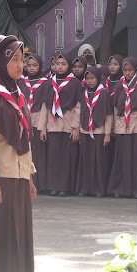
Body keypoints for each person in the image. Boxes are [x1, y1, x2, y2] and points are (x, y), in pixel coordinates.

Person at [0, 35, 36, 272]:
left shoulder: (17, 92)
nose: (20, 64)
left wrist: (30, 176)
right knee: (2, 236)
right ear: (0, 62)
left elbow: (25, 138)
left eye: (21, 59)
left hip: (20, 176)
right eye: (14, 59)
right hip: (1, 177)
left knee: (20, 235)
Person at [39, 53, 81, 196]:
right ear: (54, 66)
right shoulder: (49, 83)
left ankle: (64, 187)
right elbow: (45, 106)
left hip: (67, 126)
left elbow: (78, 107)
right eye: (58, 64)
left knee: (66, 159)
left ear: (68, 65)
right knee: (53, 158)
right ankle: (54, 186)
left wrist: (76, 128)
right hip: (52, 126)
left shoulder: (74, 83)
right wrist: (42, 128)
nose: (60, 67)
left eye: (63, 64)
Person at [107, 57, 137, 199]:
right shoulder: (119, 86)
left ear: (136, 71)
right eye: (125, 70)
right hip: (122, 125)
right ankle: (121, 188)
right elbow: (115, 106)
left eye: (130, 70)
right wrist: (113, 127)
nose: (127, 73)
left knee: (136, 159)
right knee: (123, 158)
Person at [76, 65, 113, 197]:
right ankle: (85, 188)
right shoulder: (84, 92)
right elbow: (79, 112)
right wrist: (79, 130)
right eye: (87, 78)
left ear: (98, 78)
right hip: (85, 131)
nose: (90, 81)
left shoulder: (103, 93)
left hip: (99, 131)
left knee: (98, 161)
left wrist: (107, 134)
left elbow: (108, 115)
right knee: (86, 160)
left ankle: (99, 189)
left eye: (92, 78)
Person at [20, 53, 51, 194]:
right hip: (24, 119)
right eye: (29, 65)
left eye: (35, 65)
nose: (31, 68)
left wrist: (42, 126)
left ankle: (40, 184)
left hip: (38, 118)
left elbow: (46, 105)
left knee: (38, 153)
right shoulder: (21, 82)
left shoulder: (45, 82)